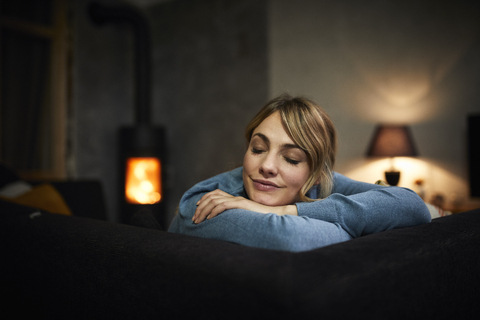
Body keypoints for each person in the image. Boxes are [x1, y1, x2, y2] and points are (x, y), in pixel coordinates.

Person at [168, 94, 431, 252]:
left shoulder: (322, 185)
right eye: (258, 149)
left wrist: (287, 210)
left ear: (316, 173)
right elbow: (291, 238)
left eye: (291, 158)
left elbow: (411, 206)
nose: (267, 166)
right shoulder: (202, 203)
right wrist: (361, 226)